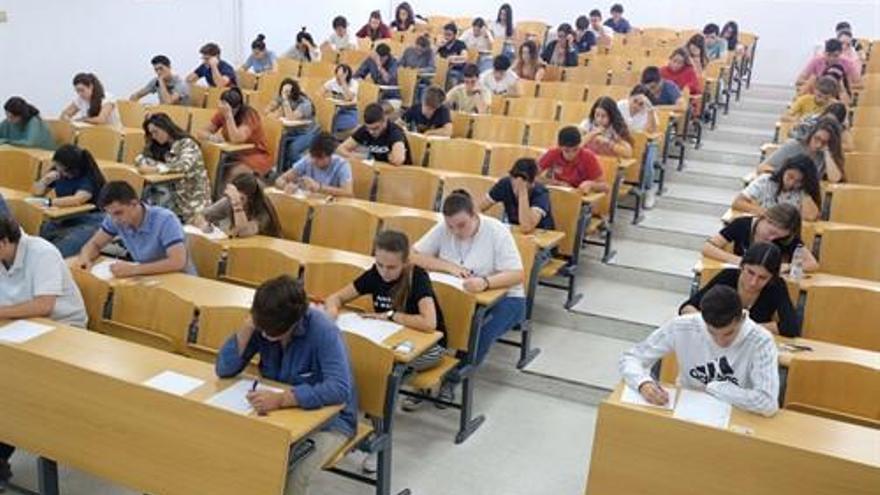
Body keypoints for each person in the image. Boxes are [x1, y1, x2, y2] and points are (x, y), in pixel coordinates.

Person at [215, 274, 357, 495]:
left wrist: (283, 399)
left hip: (330, 423)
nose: (265, 336)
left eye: (272, 334)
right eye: (262, 329)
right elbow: (224, 370)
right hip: (276, 418)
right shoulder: (264, 320)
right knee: (228, 453)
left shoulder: (323, 330)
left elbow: (339, 389)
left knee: (292, 477)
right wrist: (246, 329)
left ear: (295, 323)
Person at [325, 229, 447, 412]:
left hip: (430, 347)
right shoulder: (375, 273)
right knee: (358, 357)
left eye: (391, 267)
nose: (384, 272)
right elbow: (336, 298)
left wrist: (391, 316)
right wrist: (331, 314)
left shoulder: (418, 277)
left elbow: (429, 324)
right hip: (389, 340)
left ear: (405, 263)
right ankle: (362, 407)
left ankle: (375, 414)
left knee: (378, 366)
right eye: (380, 264)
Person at [620, 284, 780, 416]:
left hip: (734, 412)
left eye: (729, 333)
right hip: (686, 406)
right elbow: (632, 358)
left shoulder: (761, 340)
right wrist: (643, 383)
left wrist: (716, 387)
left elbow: (767, 402)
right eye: (712, 333)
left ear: (742, 319)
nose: (720, 341)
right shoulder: (682, 326)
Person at [412, 190, 525, 365]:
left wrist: (485, 282)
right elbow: (412, 256)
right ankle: (422, 361)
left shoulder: (496, 230)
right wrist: (449, 266)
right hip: (460, 295)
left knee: (478, 331)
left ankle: (455, 376)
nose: (456, 231)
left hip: (505, 298)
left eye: (462, 225)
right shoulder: (445, 227)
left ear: (475, 214)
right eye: (451, 226)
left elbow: (517, 275)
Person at [76, 181, 193, 277]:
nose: (115, 220)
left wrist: (134, 269)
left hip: (177, 279)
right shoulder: (114, 218)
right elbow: (95, 244)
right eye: (110, 214)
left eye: (118, 213)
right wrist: (85, 258)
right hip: (147, 277)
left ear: (134, 203)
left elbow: (178, 262)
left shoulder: (166, 219)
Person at [682, 243, 799, 337]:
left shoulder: (776, 286)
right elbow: (686, 307)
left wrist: (745, 329)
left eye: (762, 278)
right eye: (750, 272)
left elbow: (791, 327)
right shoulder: (727, 277)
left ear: (772, 278)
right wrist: (711, 325)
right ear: (742, 266)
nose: (753, 282)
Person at [32, 144, 107, 257]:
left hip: (90, 220)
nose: (59, 171)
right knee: (39, 236)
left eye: (62, 169)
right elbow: (37, 192)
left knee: (62, 249)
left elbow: (77, 199)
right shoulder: (58, 172)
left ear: (74, 169)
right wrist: (45, 180)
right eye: (57, 166)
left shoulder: (88, 177)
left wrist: (48, 202)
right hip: (65, 217)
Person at [135, 113, 211, 223]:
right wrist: (148, 163)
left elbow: (183, 165)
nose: (154, 136)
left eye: (156, 132)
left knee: (159, 193)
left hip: (191, 199)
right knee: (150, 192)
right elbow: (140, 159)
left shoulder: (187, 144)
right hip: (175, 196)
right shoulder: (161, 146)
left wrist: (156, 169)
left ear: (165, 127)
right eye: (151, 134)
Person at [702, 203, 818, 272]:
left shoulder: (785, 238)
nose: (772, 238)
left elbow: (812, 264)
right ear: (766, 219)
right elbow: (708, 248)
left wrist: (786, 267)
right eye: (771, 232)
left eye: (778, 236)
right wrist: (738, 260)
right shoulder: (741, 224)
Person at [196, 87, 273, 179]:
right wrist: (211, 137)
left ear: (238, 107)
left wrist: (229, 116)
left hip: (253, 155)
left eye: (230, 110)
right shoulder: (222, 113)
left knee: (233, 172)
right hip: (232, 154)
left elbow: (236, 139)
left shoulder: (249, 115)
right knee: (209, 163)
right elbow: (201, 132)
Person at [735, 155, 821, 221]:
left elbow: (810, 216)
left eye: (798, 181)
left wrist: (804, 191)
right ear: (784, 170)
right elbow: (738, 202)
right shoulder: (766, 180)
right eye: (790, 176)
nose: (791, 183)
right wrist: (767, 213)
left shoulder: (801, 191)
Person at [758, 117, 844, 183]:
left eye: (824, 142)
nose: (819, 145)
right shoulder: (793, 146)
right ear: (811, 134)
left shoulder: (824, 156)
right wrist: (786, 174)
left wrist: (827, 152)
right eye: (817, 138)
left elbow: (835, 179)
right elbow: (762, 168)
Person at [192, 173, 280, 238]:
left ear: (251, 199)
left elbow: (243, 232)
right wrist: (203, 224)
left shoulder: (263, 213)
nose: (233, 201)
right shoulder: (231, 200)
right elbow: (199, 215)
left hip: (264, 251)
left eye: (241, 198)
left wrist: (237, 203)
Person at [481, 158, 555, 233]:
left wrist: (522, 192)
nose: (517, 185)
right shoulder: (504, 184)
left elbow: (526, 227)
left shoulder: (541, 193)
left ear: (532, 183)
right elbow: (478, 209)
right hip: (515, 234)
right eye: (514, 179)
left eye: (523, 181)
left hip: (541, 237)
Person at [275, 132, 353, 197]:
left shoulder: (342, 165)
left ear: (331, 155)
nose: (314, 161)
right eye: (313, 156)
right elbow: (279, 180)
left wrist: (319, 188)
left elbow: (348, 193)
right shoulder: (308, 160)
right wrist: (285, 186)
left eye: (320, 158)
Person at [265, 78, 318, 168]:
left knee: (293, 149)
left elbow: (291, 118)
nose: (285, 94)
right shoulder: (281, 97)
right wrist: (275, 112)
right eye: (283, 91)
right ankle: (282, 169)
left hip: (307, 132)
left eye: (288, 91)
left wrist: (285, 101)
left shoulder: (305, 103)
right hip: (291, 131)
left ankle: (306, 169)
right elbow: (267, 111)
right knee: (278, 143)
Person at [538, 126, 608, 193]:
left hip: (580, 198)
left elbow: (605, 187)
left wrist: (592, 185)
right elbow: (532, 176)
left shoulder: (588, 157)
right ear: (560, 147)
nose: (571, 154)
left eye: (575, 150)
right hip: (559, 194)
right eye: (566, 151)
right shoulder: (553, 153)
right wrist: (556, 183)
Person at [338, 103, 410, 165]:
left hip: (400, 173)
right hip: (379, 167)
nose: (371, 132)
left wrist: (388, 158)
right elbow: (341, 149)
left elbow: (398, 160)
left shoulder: (395, 132)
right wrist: (355, 156)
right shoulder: (365, 130)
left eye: (376, 128)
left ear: (384, 121)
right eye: (368, 128)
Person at [788, 102, 853, 152]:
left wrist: (828, 146)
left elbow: (849, 147)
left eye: (833, 122)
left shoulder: (840, 127)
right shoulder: (810, 120)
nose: (828, 123)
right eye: (828, 119)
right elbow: (793, 134)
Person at [797, 39, 861, 88]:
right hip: (818, 92)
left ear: (841, 53)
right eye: (828, 55)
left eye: (835, 56)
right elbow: (799, 81)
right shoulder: (816, 61)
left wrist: (843, 86)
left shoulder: (848, 63)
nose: (831, 58)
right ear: (824, 53)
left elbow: (859, 84)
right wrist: (818, 83)